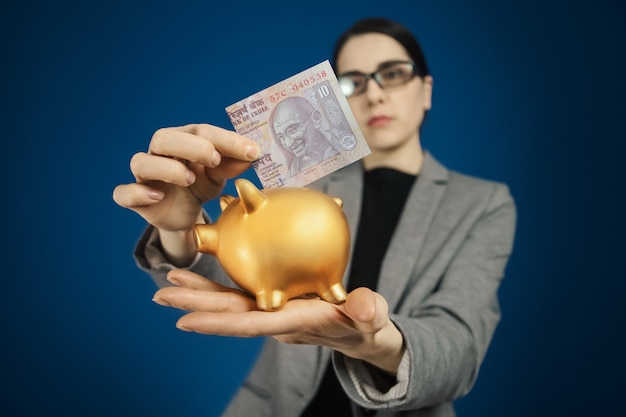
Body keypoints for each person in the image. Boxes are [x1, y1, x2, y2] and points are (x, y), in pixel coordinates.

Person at [113, 17, 516, 417]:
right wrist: (181, 228)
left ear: (426, 90)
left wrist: (375, 342)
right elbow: (235, 280)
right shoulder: (298, 187)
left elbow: (460, 350)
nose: (373, 95)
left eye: (392, 74)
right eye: (352, 82)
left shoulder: (484, 203)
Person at [269, 95, 341, 176]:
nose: (289, 144)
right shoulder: (292, 173)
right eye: (281, 137)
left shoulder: (341, 140)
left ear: (316, 119)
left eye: (292, 130)